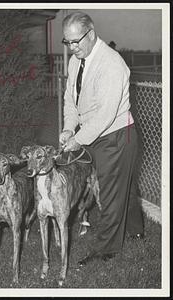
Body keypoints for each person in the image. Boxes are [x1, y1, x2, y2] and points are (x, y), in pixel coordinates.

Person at [59, 11, 144, 266]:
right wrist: (67, 129)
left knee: (109, 193)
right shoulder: (77, 60)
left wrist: (78, 139)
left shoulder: (111, 63)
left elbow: (106, 114)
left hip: (116, 135)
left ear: (92, 34)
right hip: (94, 134)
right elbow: (70, 100)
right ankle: (137, 231)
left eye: (77, 41)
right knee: (123, 187)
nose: (73, 47)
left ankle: (107, 250)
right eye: (67, 42)